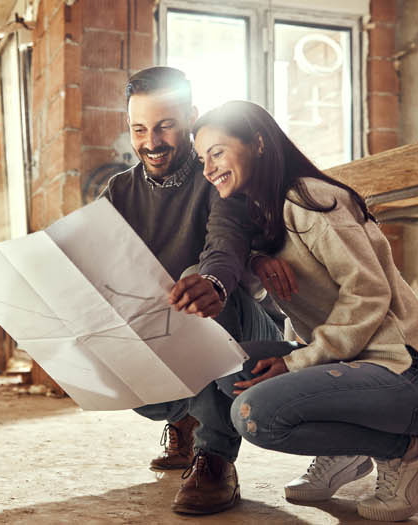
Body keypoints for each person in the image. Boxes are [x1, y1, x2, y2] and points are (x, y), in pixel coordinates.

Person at [192, 100, 418, 522]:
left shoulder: (310, 200)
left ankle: (408, 454)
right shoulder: (262, 215)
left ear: (258, 143)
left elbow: (368, 294)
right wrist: (257, 261)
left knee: (254, 415)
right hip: (352, 368)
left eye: (217, 152)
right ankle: (346, 449)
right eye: (202, 158)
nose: (208, 168)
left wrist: (299, 362)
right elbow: (265, 292)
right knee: (227, 367)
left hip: (407, 374)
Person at [100, 67, 281, 515]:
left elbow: (225, 244)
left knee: (192, 279)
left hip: (242, 325)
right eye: (139, 128)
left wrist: (212, 283)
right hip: (166, 330)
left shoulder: (218, 173)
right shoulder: (119, 190)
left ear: (191, 117)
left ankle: (215, 455)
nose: (152, 141)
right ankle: (183, 418)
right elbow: (82, 254)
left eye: (165, 126)